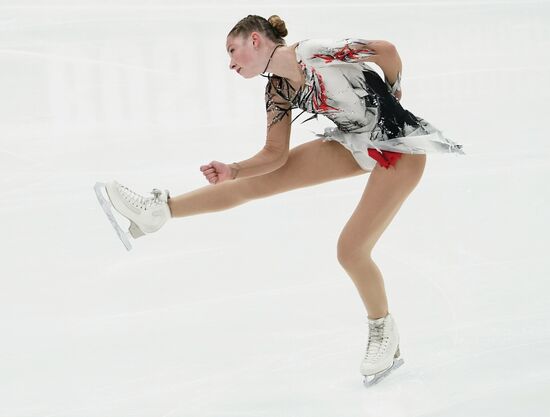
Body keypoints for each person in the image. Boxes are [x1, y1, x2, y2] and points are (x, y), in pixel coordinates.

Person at [94, 14, 465, 386]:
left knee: (350, 249)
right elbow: (274, 154)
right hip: (353, 141)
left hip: (398, 144)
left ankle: (384, 331)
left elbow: (387, 51)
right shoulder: (277, 91)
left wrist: (393, 93)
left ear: (255, 40)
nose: (230, 62)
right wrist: (234, 169)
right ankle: (158, 212)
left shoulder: (316, 53)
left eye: (232, 50)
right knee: (256, 183)